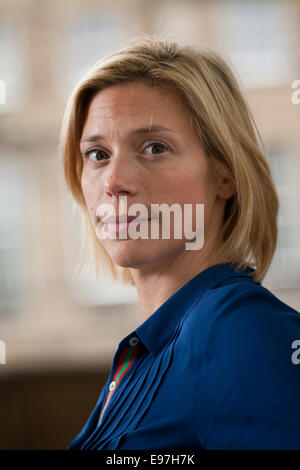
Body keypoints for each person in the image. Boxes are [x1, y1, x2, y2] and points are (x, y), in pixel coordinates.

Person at [59, 36, 300, 450]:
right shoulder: (145, 353)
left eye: (154, 148)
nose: (114, 182)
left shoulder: (243, 332)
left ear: (226, 173)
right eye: (97, 154)